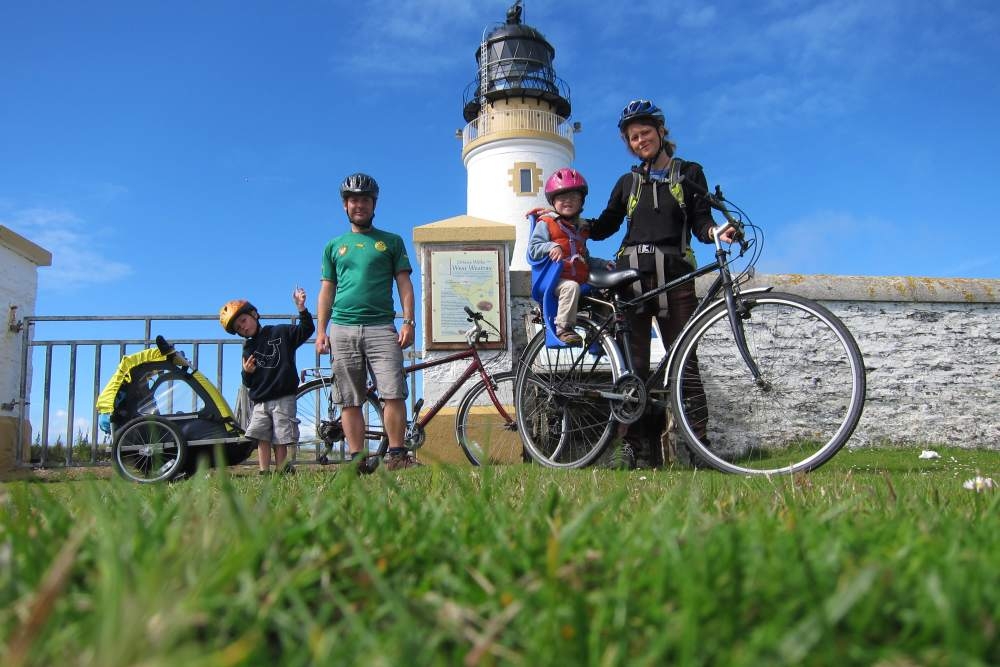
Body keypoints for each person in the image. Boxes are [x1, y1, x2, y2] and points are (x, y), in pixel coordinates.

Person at [588, 99, 735, 467]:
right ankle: (633, 449)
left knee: (686, 362)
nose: (640, 140)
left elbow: (701, 221)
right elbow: (607, 223)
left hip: (677, 276)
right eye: (633, 137)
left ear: (660, 131)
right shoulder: (628, 182)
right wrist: (575, 224)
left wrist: (717, 231)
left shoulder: (689, 173)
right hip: (632, 278)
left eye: (645, 133)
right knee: (634, 366)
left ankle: (699, 446)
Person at [315, 172, 419, 472]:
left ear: (374, 205)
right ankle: (357, 460)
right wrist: (321, 331)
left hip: (381, 328)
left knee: (393, 392)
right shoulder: (334, 246)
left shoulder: (391, 242)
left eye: (364, 200)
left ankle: (397, 455)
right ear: (345, 206)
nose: (358, 205)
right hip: (343, 328)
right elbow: (327, 289)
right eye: (353, 200)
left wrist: (408, 321)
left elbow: (404, 285)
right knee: (350, 399)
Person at [220, 288, 315, 475]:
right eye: (238, 328)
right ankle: (264, 471)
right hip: (260, 401)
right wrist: (246, 372)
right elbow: (248, 382)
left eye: (243, 321)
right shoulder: (248, 348)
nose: (243, 327)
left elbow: (306, 329)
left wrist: (301, 308)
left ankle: (281, 469)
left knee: (280, 438)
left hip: (283, 397)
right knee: (261, 436)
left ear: (254, 314)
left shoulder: (280, 332)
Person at [526, 167, 600, 345]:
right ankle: (564, 329)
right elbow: (533, 249)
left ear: (581, 201)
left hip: (577, 278)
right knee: (571, 287)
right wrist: (552, 245)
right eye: (562, 197)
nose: (568, 201)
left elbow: (585, 258)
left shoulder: (580, 229)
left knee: (602, 291)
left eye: (574, 197)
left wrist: (604, 264)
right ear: (553, 201)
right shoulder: (546, 223)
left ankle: (598, 334)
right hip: (553, 279)